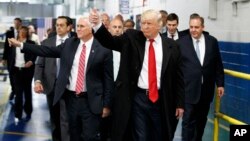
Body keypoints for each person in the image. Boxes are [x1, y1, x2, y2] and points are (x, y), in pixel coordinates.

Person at [8, 17, 114, 141]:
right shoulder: (70, 44)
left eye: (82, 26)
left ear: (91, 29)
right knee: (73, 134)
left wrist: (107, 105)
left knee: (89, 136)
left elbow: (108, 80)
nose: (78, 29)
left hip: (91, 101)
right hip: (71, 99)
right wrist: (20, 44)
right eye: (78, 26)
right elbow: (46, 50)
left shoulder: (103, 49)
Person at [90, 9, 184, 141]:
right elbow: (110, 42)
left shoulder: (172, 46)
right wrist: (98, 25)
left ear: (159, 25)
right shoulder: (132, 38)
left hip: (161, 99)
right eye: (142, 23)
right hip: (138, 99)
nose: (144, 27)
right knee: (140, 136)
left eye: (148, 23)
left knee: (159, 135)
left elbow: (178, 77)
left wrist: (180, 103)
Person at [177, 15, 224, 141]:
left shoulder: (212, 42)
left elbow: (218, 64)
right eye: (191, 27)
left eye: (196, 27)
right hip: (188, 91)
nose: (193, 30)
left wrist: (220, 84)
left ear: (203, 27)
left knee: (201, 122)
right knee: (187, 123)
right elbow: (176, 69)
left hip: (206, 92)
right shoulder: (181, 43)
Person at [34, 16, 72, 141]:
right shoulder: (47, 43)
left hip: (70, 87)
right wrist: (38, 81)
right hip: (52, 86)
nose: (59, 27)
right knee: (55, 119)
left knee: (66, 119)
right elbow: (40, 64)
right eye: (57, 25)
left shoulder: (75, 42)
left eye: (62, 25)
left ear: (69, 27)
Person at [10, 26, 36, 123]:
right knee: (18, 94)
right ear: (18, 32)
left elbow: (35, 54)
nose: (22, 32)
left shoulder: (31, 43)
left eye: (25, 31)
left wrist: (31, 61)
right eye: (21, 31)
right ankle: (18, 113)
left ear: (27, 33)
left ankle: (28, 111)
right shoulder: (13, 43)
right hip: (16, 71)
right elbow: (10, 56)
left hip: (27, 72)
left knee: (27, 92)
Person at [2, 17, 22, 101]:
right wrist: (4, 58)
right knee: (11, 75)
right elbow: (6, 46)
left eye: (17, 23)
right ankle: (14, 90)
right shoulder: (9, 33)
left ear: (20, 23)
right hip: (11, 58)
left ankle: (18, 91)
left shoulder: (23, 32)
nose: (16, 24)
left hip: (20, 59)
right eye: (15, 23)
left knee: (19, 76)